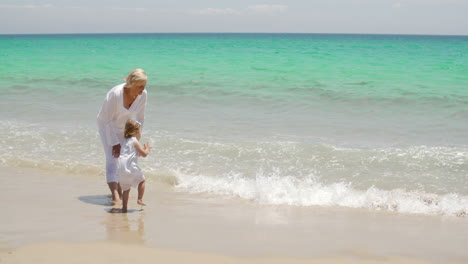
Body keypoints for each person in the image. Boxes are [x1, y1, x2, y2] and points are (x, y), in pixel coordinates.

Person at [97, 69, 148, 204]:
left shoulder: (142, 95)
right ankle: (115, 195)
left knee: (124, 158)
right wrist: (114, 142)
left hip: (123, 127)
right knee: (112, 157)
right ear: (132, 84)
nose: (142, 89)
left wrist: (136, 139)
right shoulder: (115, 94)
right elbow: (107, 120)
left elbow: (140, 117)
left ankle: (120, 189)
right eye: (140, 86)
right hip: (106, 124)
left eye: (144, 86)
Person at [117, 119, 152, 213]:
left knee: (126, 189)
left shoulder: (125, 142)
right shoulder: (134, 141)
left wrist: (142, 151)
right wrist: (147, 149)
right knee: (142, 181)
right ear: (136, 131)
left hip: (121, 169)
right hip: (130, 167)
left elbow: (134, 154)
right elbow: (144, 154)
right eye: (139, 130)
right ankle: (139, 199)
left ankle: (124, 208)